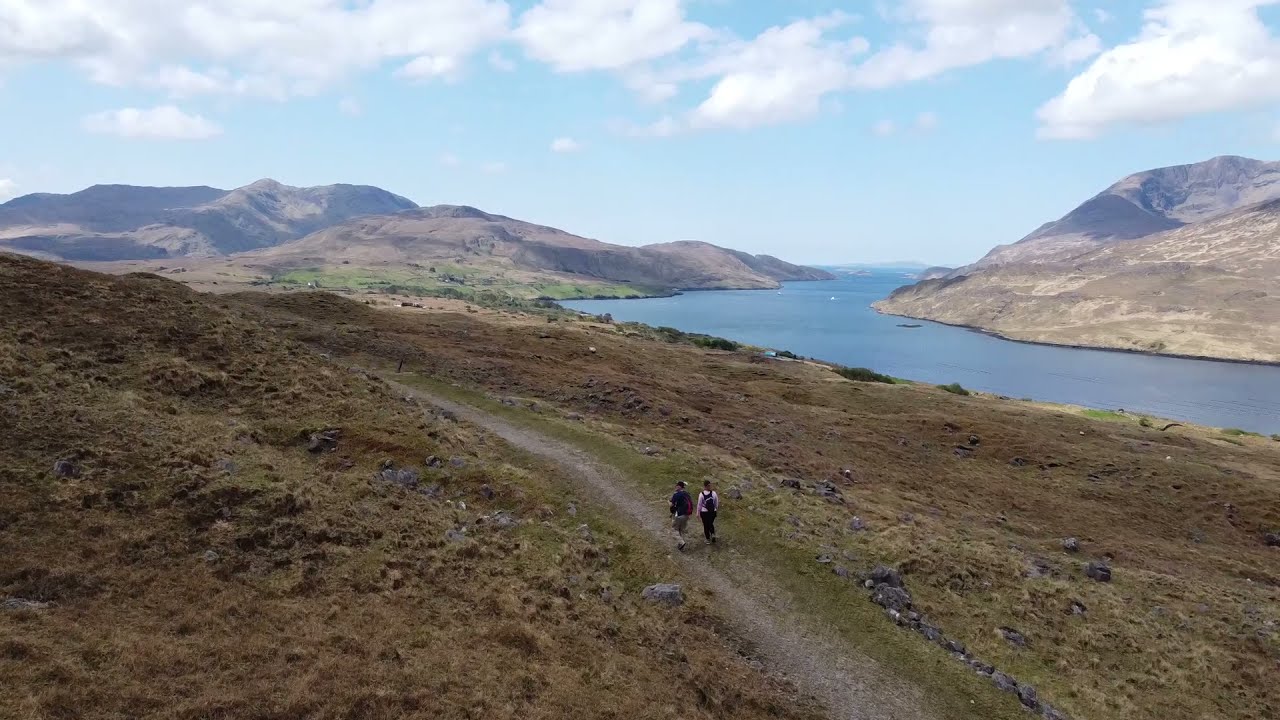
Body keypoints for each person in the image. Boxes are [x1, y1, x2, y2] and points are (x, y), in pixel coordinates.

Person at [669, 481, 694, 551]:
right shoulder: (687, 494)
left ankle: (681, 542)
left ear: (680, 486)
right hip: (686, 515)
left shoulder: (676, 495)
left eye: (677, 485)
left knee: (674, 529)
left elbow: (671, 505)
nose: (675, 487)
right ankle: (681, 546)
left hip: (679, 515)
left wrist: (668, 502)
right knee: (681, 530)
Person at [697, 480, 719, 544]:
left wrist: (698, 513)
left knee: (706, 525)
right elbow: (716, 503)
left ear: (704, 486)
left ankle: (708, 539)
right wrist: (715, 509)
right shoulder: (714, 493)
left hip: (704, 512)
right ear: (709, 485)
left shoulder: (701, 494)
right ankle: (713, 534)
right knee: (710, 523)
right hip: (712, 511)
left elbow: (699, 504)